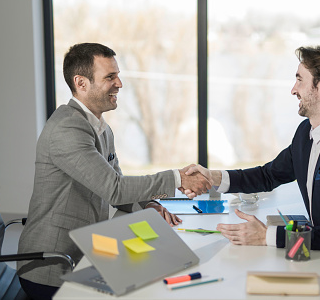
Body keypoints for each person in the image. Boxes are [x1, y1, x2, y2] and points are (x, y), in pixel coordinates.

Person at [186, 46, 320, 299]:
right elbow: (268, 175)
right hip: (318, 257)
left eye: (300, 79)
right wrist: (214, 177)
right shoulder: (306, 133)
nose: (293, 89)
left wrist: (267, 236)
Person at [17, 43, 210, 300]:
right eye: (110, 77)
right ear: (81, 83)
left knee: (161, 272)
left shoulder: (100, 127)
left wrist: (149, 204)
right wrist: (177, 177)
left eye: (117, 75)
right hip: (53, 267)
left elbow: (117, 182)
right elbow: (114, 189)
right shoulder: (67, 129)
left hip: (87, 250)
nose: (119, 84)